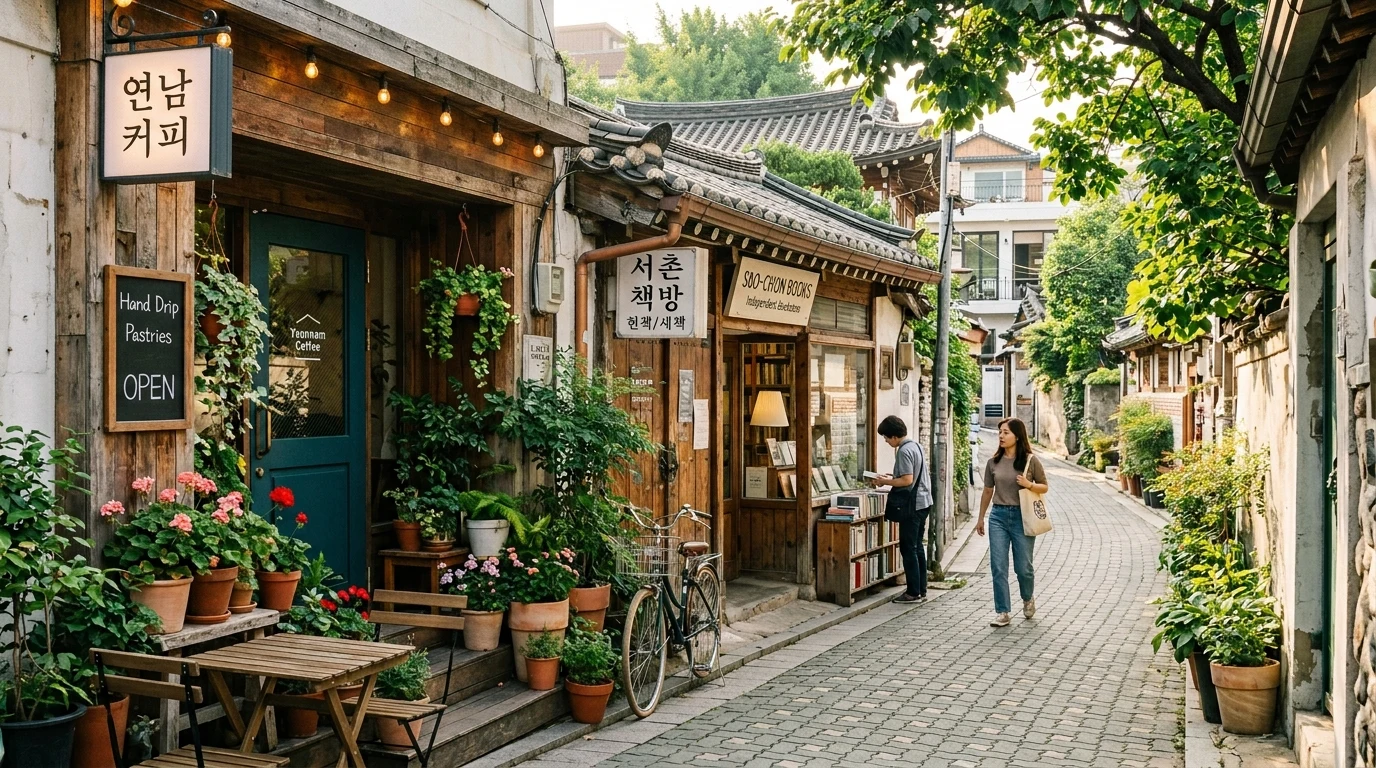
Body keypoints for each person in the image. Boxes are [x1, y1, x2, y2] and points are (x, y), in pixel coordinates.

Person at [976, 417, 1049, 627]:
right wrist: (981, 518)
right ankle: (1003, 612)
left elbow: (1044, 486)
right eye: (1000, 432)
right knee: (998, 566)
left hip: (1022, 516)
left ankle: (1027, 598)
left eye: (1006, 432)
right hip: (998, 516)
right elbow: (987, 491)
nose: (1001, 436)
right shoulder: (993, 463)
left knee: (1023, 567)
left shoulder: (1030, 460)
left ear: (1017, 436)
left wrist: (1028, 484)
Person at [871, 415, 933, 604]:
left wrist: (884, 482)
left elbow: (907, 480)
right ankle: (921, 589)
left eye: (886, 437)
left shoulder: (903, 451)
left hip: (912, 506)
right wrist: (891, 477)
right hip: (924, 502)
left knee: (908, 548)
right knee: (917, 547)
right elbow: (911, 475)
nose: (886, 441)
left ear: (894, 436)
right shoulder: (916, 446)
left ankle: (912, 592)